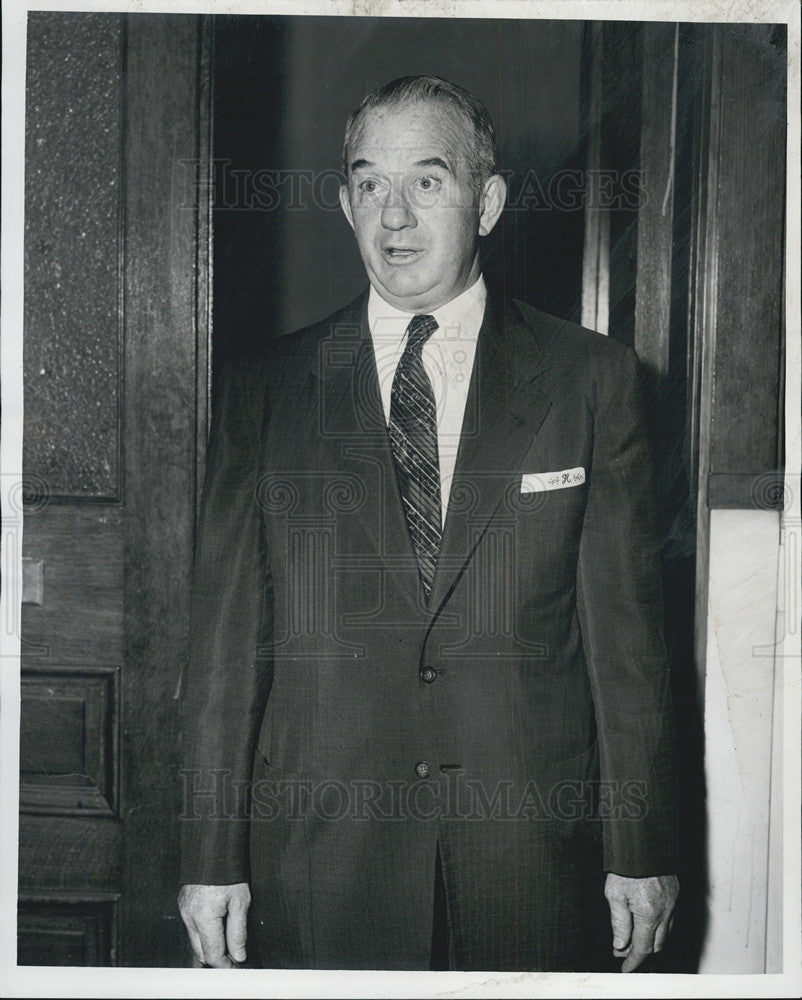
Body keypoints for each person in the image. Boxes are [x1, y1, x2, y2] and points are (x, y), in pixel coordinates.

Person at [178, 75, 679, 972]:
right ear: (343, 204)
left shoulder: (591, 383)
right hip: (322, 862)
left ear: (486, 202)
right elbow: (223, 647)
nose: (395, 216)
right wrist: (211, 858)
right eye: (370, 184)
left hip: (529, 857)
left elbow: (627, 644)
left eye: (428, 182)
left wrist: (639, 847)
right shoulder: (264, 392)